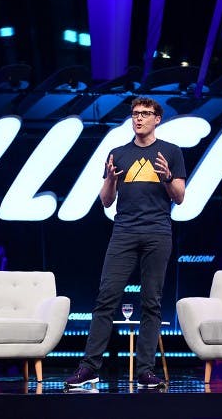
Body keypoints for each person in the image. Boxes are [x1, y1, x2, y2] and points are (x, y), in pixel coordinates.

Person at [65, 96, 186, 389]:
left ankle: (145, 371)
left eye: (145, 114)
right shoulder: (117, 153)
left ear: (157, 119)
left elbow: (180, 197)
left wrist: (167, 177)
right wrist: (110, 179)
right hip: (124, 232)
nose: (139, 118)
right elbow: (106, 202)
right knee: (106, 298)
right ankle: (89, 367)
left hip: (158, 232)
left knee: (151, 302)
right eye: (135, 114)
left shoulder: (171, 152)